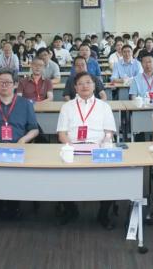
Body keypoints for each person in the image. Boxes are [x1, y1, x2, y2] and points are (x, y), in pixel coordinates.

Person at [0, 69, 41, 219]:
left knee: (13, 177)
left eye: (8, 82)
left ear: (15, 84)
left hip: (16, 148)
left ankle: (13, 206)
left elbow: (34, 129)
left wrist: (23, 140)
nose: (3, 85)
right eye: (0, 82)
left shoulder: (25, 104)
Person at [56, 71, 119, 228]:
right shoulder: (67, 107)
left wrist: (104, 144)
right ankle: (71, 210)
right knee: (60, 177)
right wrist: (71, 147)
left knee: (110, 179)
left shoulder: (104, 106)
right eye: (80, 83)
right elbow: (62, 134)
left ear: (94, 85)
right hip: (73, 148)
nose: (84, 86)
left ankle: (103, 214)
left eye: (88, 82)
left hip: (98, 148)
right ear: (75, 87)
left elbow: (109, 132)